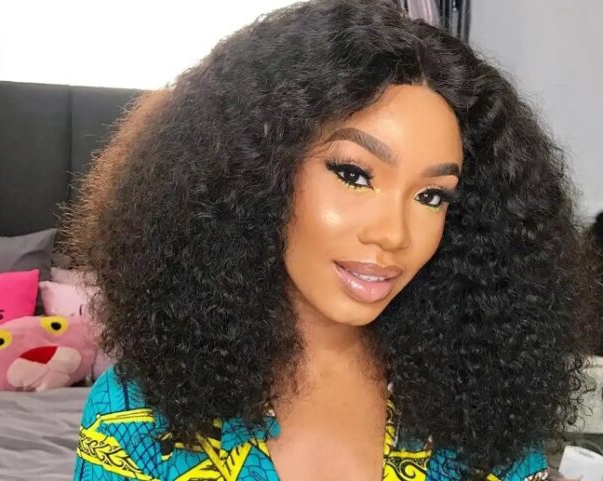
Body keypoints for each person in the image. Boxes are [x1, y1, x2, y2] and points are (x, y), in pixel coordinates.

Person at [65, 0, 599, 479]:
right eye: (353, 174)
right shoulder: (137, 417)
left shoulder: (482, 403)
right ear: (256, 174)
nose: (393, 234)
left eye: (432, 196)